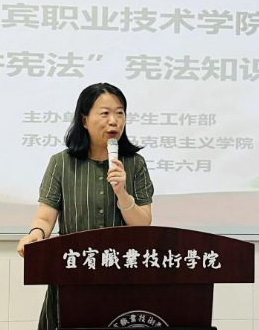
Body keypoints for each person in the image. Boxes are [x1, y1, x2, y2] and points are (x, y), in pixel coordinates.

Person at [16, 82, 155, 330]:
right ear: (84, 120)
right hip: (72, 273)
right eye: (105, 113)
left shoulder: (135, 163)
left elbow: (143, 223)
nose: (114, 121)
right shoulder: (61, 163)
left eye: (120, 113)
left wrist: (122, 194)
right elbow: (45, 218)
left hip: (121, 275)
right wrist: (35, 234)